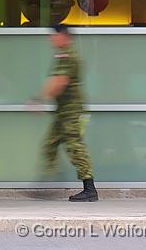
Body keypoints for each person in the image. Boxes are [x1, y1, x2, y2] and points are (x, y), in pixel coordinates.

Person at [31, 24, 98, 202]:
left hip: (71, 111)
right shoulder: (62, 55)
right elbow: (54, 80)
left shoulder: (68, 55)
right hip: (64, 112)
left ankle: (89, 189)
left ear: (63, 36)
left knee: (75, 147)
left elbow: (59, 82)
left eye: (53, 35)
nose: (50, 39)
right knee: (50, 144)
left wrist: (39, 99)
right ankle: (46, 185)